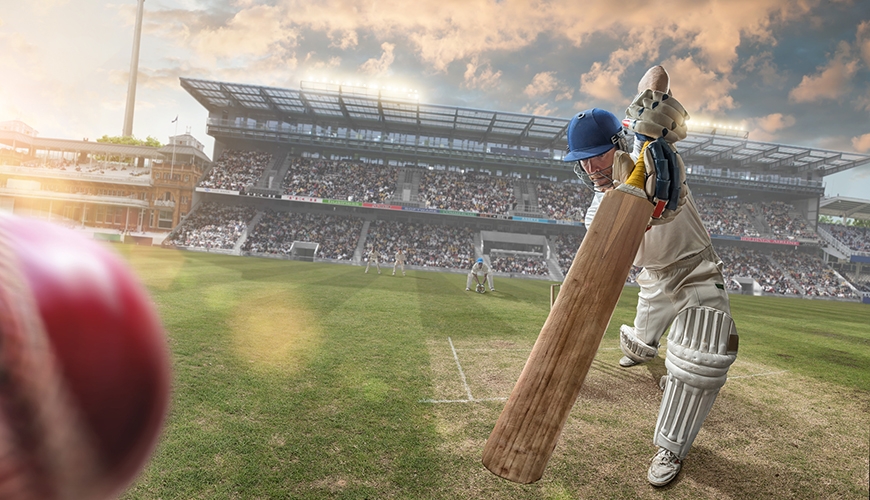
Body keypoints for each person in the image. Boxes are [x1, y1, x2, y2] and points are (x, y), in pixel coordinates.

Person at [563, 97, 738, 487]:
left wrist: (652, 116)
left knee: (702, 358)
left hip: (696, 269)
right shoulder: (596, 210)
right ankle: (640, 347)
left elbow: (656, 74)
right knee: (640, 347)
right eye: (583, 160)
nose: (591, 168)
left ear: (619, 143)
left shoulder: (657, 156)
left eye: (597, 155)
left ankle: (671, 448)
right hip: (653, 281)